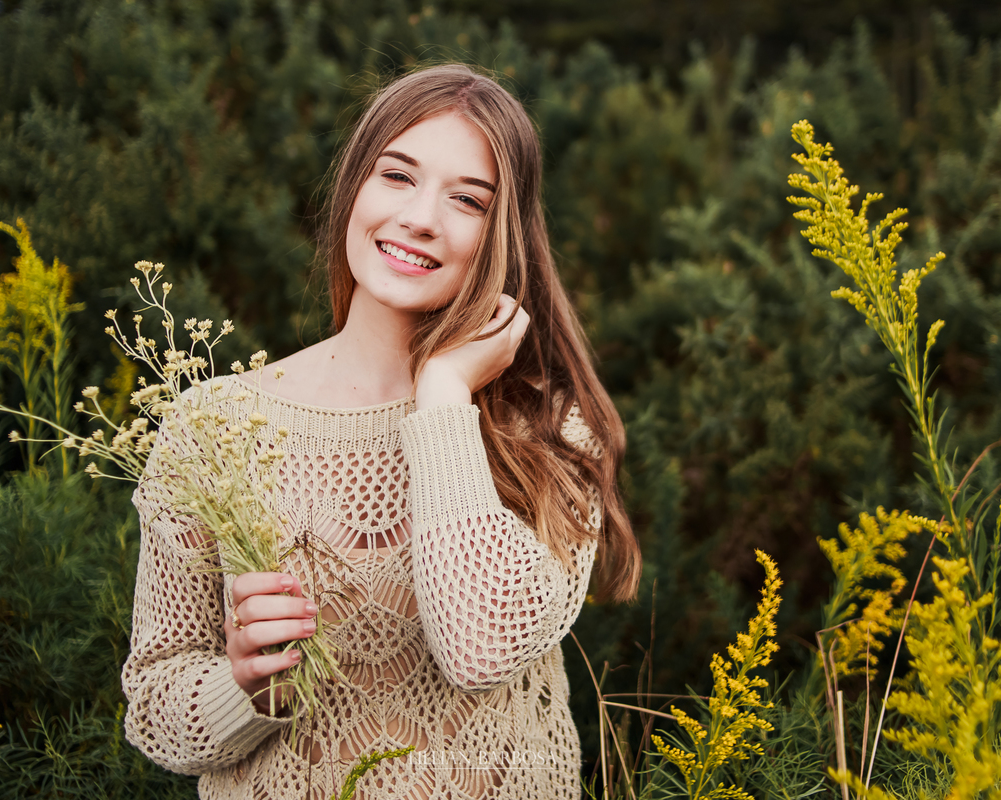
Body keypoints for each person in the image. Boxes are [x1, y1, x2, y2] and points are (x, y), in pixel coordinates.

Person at [121, 63, 641, 799]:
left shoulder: (551, 430)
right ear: (353, 188)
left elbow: (480, 646)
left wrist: (442, 397)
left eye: (467, 199)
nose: (421, 217)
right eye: (397, 176)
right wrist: (250, 687)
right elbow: (155, 711)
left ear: (504, 233)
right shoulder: (216, 427)